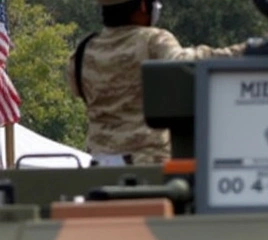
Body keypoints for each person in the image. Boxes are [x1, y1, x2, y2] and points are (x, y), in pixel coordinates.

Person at [70, 0, 247, 165]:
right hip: (149, 164)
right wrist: (246, 50)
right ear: (142, 6)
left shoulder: (83, 50)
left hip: (99, 165)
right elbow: (187, 64)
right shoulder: (152, 40)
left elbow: (76, 90)